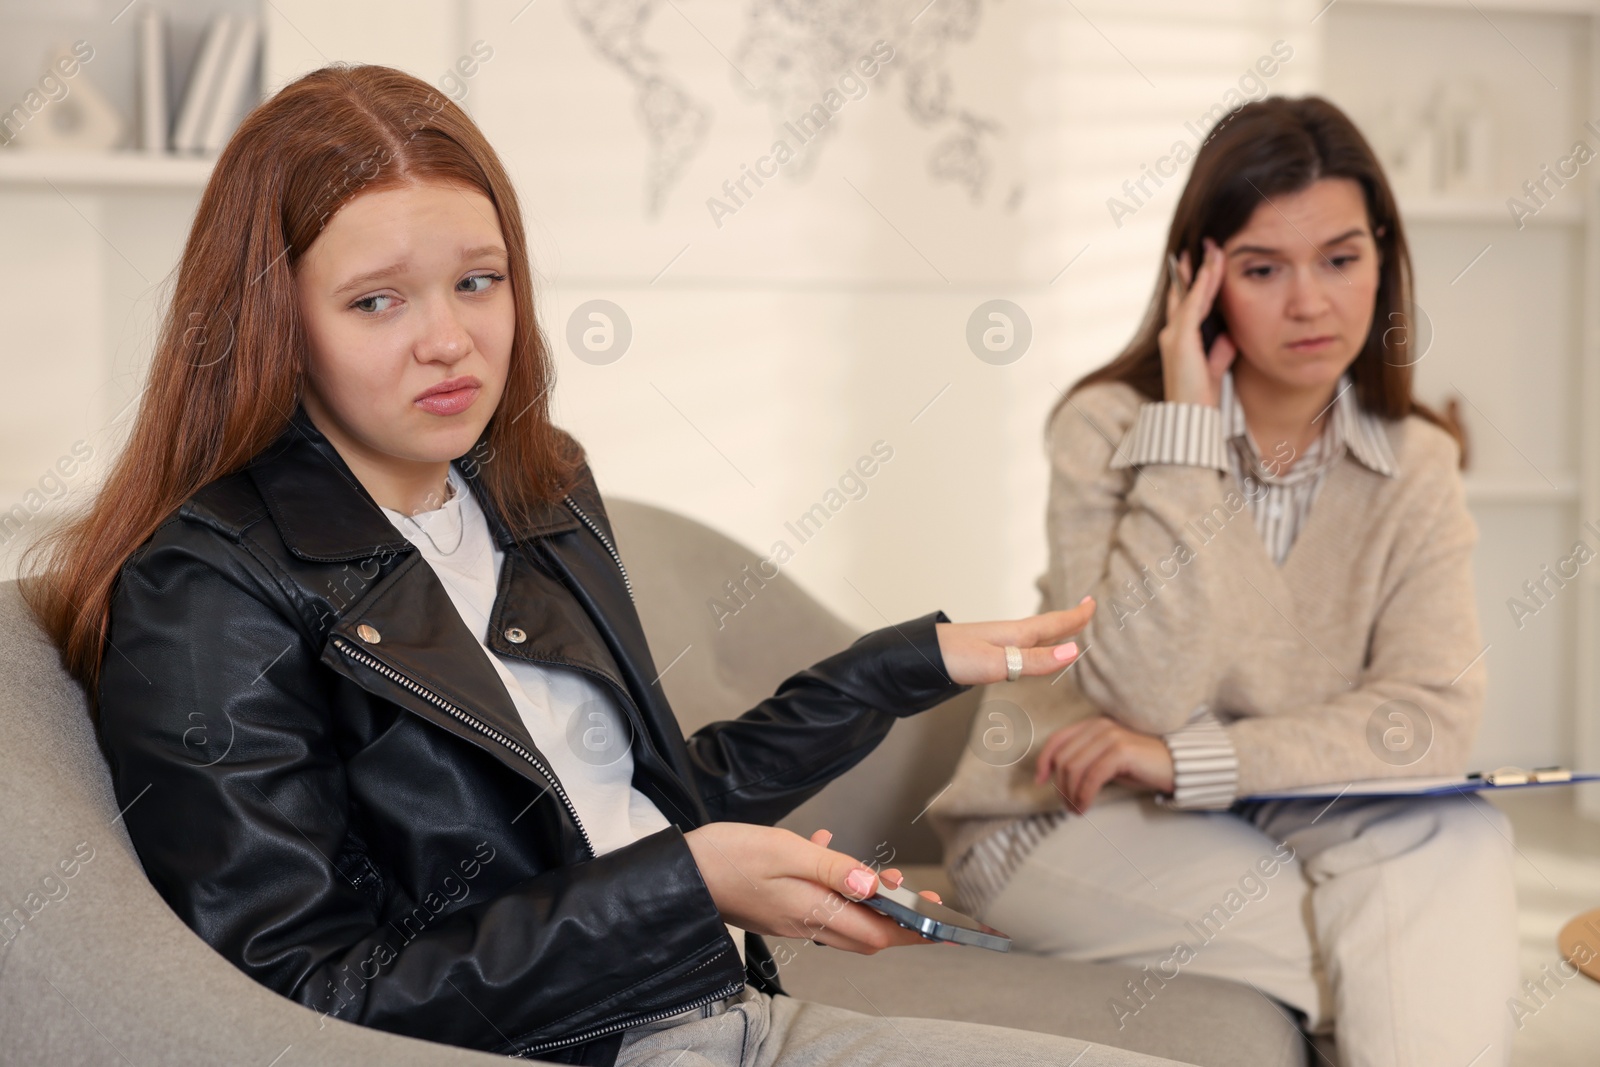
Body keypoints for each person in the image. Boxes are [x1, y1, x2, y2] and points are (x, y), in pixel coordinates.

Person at [22, 64, 1198, 1067]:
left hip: (722, 1008)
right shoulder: (206, 586)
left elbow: (640, 807)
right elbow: (317, 997)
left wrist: (899, 667)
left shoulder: (534, 486)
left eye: (478, 280)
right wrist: (687, 887)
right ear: (274, 318)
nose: (450, 338)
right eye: (377, 299)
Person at [926, 95, 1520, 1066]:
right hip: (1066, 815)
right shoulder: (1106, 427)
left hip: (1286, 809)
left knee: (1459, 838)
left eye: (1339, 258)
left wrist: (1185, 758)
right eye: (1260, 268)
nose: (1311, 303)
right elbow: (1145, 687)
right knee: (1410, 964)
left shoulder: (1416, 461)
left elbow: (1426, 721)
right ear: (1195, 280)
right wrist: (1187, 433)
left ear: (1383, 255)